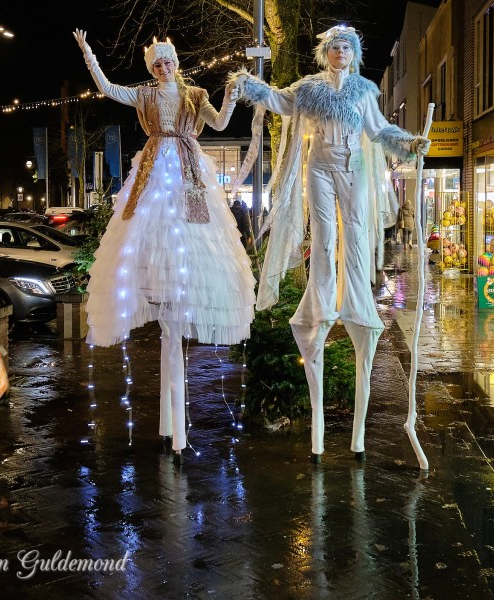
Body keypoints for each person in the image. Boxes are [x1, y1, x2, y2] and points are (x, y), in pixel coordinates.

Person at [231, 25, 430, 462]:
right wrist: (250, 86)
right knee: (323, 234)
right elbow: (280, 101)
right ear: (326, 53)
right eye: (334, 47)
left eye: (346, 47)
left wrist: (409, 143)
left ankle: (355, 297)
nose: (340, 52)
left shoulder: (363, 91)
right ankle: (322, 297)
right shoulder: (310, 88)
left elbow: (379, 130)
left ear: (354, 54)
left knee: (355, 234)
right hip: (320, 166)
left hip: (353, 165)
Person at [73, 31, 255, 461]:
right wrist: (89, 55)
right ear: (152, 68)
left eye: (167, 61)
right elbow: (109, 89)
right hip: (154, 169)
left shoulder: (195, 94)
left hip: (189, 171)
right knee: (148, 229)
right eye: (157, 64)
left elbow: (220, 124)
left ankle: (174, 427)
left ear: (176, 62)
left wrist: (231, 96)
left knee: (190, 232)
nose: (163, 68)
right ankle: (171, 428)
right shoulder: (145, 96)